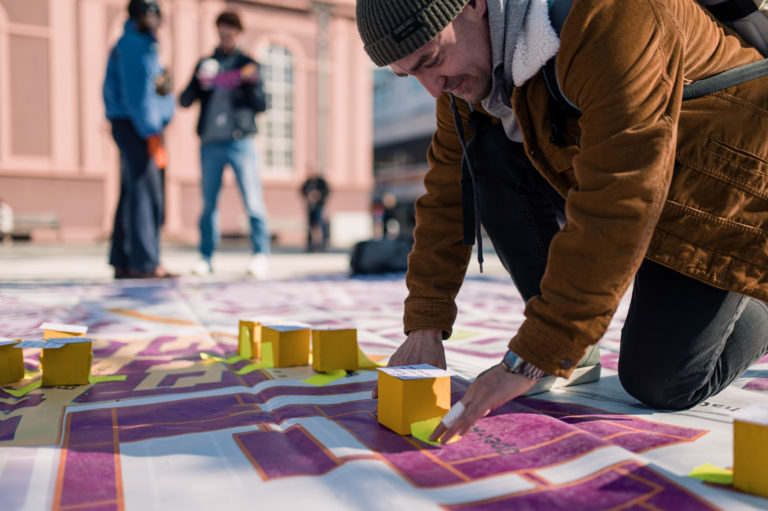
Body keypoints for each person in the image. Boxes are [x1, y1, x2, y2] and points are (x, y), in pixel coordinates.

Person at [355, 0, 768, 443]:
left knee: (663, 381)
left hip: (724, 203)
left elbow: (619, 195)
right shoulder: (467, 77)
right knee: (486, 156)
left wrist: (533, 357)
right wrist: (426, 324)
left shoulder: (611, 16)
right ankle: (577, 345)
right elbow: (447, 194)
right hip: (645, 198)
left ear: (475, 5)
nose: (433, 89)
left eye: (431, 61)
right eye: (409, 75)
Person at [180, 10, 270, 278]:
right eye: (221, 32)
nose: (225, 36)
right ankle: (205, 256)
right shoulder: (206, 63)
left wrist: (248, 84)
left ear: (238, 34)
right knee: (208, 204)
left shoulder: (248, 64)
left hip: (240, 141)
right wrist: (199, 80)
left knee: (253, 201)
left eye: (230, 32)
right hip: (210, 143)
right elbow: (184, 100)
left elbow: (262, 105)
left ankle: (260, 254)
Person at [103, 0, 176, 279]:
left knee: (132, 191)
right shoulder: (136, 45)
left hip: (131, 124)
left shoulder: (138, 43)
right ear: (143, 17)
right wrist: (152, 131)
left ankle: (122, 260)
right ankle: (144, 263)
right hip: (138, 127)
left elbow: (154, 90)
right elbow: (139, 97)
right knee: (147, 192)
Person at [300, 170, 330, 252]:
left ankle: (323, 244)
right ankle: (311, 245)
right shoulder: (308, 182)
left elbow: (326, 191)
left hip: (319, 206)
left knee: (321, 225)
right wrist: (309, 195)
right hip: (311, 206)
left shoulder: (321, 182)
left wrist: (319, 195)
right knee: (311, 226)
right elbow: (302, 191)